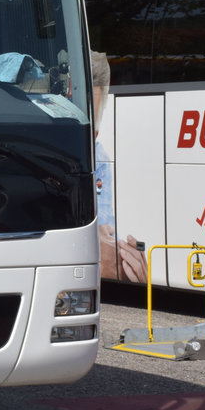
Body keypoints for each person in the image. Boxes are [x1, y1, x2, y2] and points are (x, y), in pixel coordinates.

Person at [91, 51, 147, 282]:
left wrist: (124, 261)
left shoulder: (99, 157)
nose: (93, 136)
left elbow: (106, 228)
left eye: (94, 127)